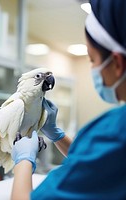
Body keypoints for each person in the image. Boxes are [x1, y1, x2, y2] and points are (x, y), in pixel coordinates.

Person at [11, 0, 126, 199]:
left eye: (92, 59)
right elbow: (95, 163)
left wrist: (23, 161)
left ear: (116, 63)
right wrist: (56, 135)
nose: (93, 68)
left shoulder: (114, 132)